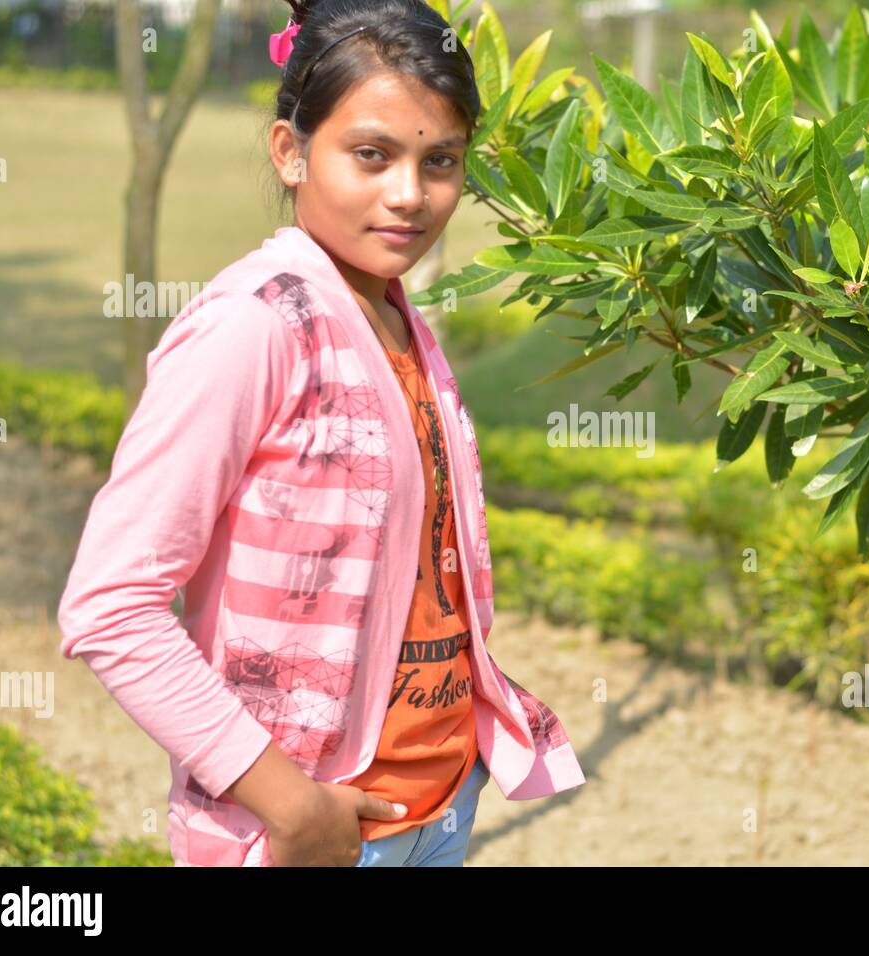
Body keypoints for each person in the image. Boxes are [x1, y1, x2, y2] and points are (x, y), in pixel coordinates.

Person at [56, 0, 585, 868]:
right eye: (371, 155)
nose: (410, 195)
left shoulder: (396, 316)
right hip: (309, 838)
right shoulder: (254, 328)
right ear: (291, 150)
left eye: (439, 161)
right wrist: (290, 806)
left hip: (440, 807)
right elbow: (111, 605)